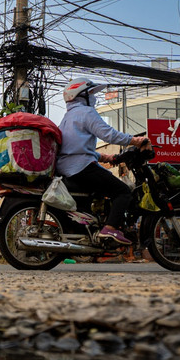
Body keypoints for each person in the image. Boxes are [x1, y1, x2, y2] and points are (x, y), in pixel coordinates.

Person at [56, 77, 150, 245]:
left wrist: (105, 157)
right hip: (81, 167)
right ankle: (110, 229)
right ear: (81, 95)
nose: (93, 97)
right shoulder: (86, 112)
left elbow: (75, 146)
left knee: (101, 191)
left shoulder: (67, 117)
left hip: (68, 167)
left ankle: (94, 229)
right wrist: (135, 140)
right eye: (91, 93)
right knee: (122, 191)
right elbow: (108, 134)